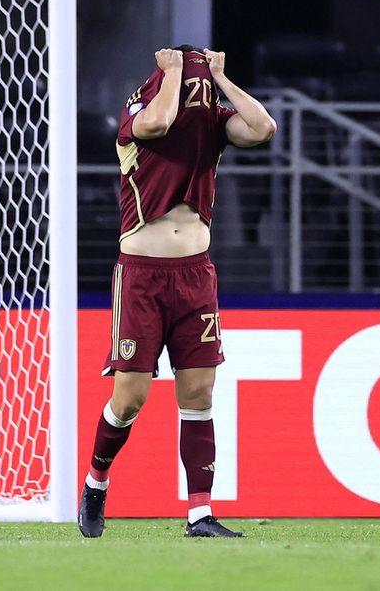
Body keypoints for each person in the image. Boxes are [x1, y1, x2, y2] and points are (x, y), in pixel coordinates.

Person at [78, 45, 277, 538]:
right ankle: (96, 483)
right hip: (142, 276)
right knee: (130, 397)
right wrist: (171, 72)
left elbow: (263, 128)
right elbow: (159, 123)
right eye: (195, 83)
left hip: (196, 275)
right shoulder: (138, 113)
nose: (198, 92)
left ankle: (200, 514)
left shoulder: (211, 121)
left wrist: (223, 80)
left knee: (199, 393)